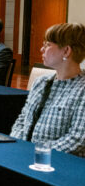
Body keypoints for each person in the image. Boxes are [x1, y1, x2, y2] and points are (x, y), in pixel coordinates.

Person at [10, 23, 85, 157]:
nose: (41, 49)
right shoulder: (41, 82)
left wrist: (36, 152)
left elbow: (78, 139)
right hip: (25, 155)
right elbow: (23, 119)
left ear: (66, 51)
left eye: (47, 45)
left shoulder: (82, 89)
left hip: (58, 162)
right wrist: (18, 145)